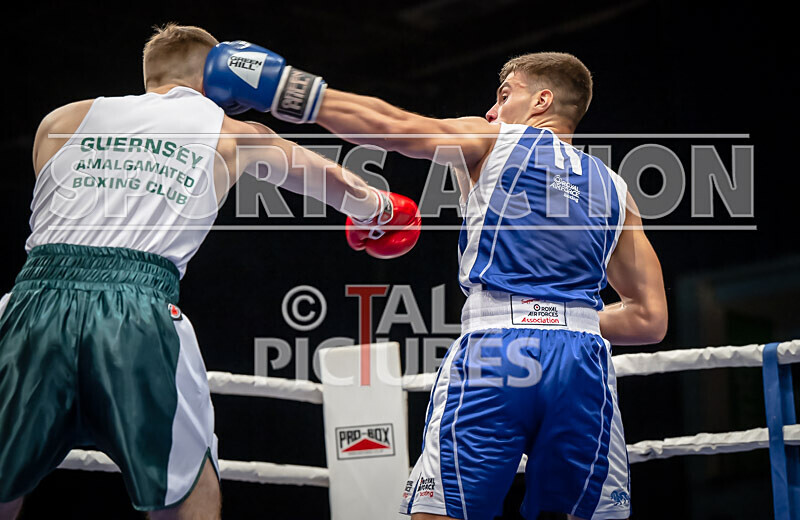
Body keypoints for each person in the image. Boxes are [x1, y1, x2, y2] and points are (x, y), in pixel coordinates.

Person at [204, 42, 668, 520]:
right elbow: (650, 319)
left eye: (505, 94)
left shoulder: (495, 139)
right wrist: (563, 317)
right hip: (583, 363)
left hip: (497, 353)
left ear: (542, 101)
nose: (493, 109)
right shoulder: (616, 190)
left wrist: (286, 91)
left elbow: (392, 128)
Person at [0, 25, 420, 520]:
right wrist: (382, 210)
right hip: (137, 312)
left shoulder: (61, 121)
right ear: (221, 76)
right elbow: (331, 180)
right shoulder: (233, 134)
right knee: (189, 497)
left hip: (29, 303)